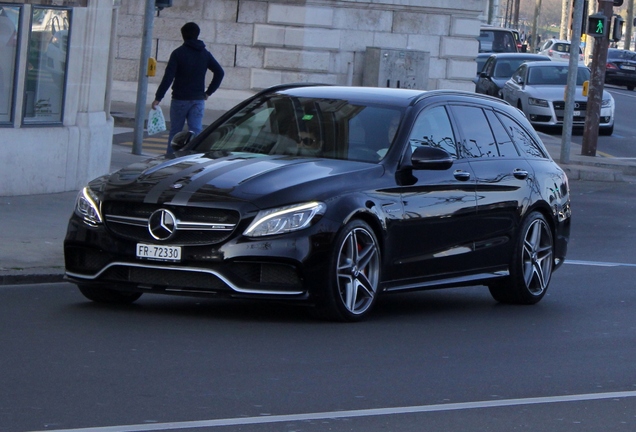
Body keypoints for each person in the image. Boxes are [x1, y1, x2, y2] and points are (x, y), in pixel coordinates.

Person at [151, 22, 225, 154]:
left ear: (183, 35)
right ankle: (193, 159)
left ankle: (170, 159)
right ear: (197, 35)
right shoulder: (205, 54)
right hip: (198, 99)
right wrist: (208, 92)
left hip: (179, 99)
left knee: (175, 132)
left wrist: (158, 98)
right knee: (196, 131)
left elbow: (168, 77)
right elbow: (219, 72)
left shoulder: (178, 53)